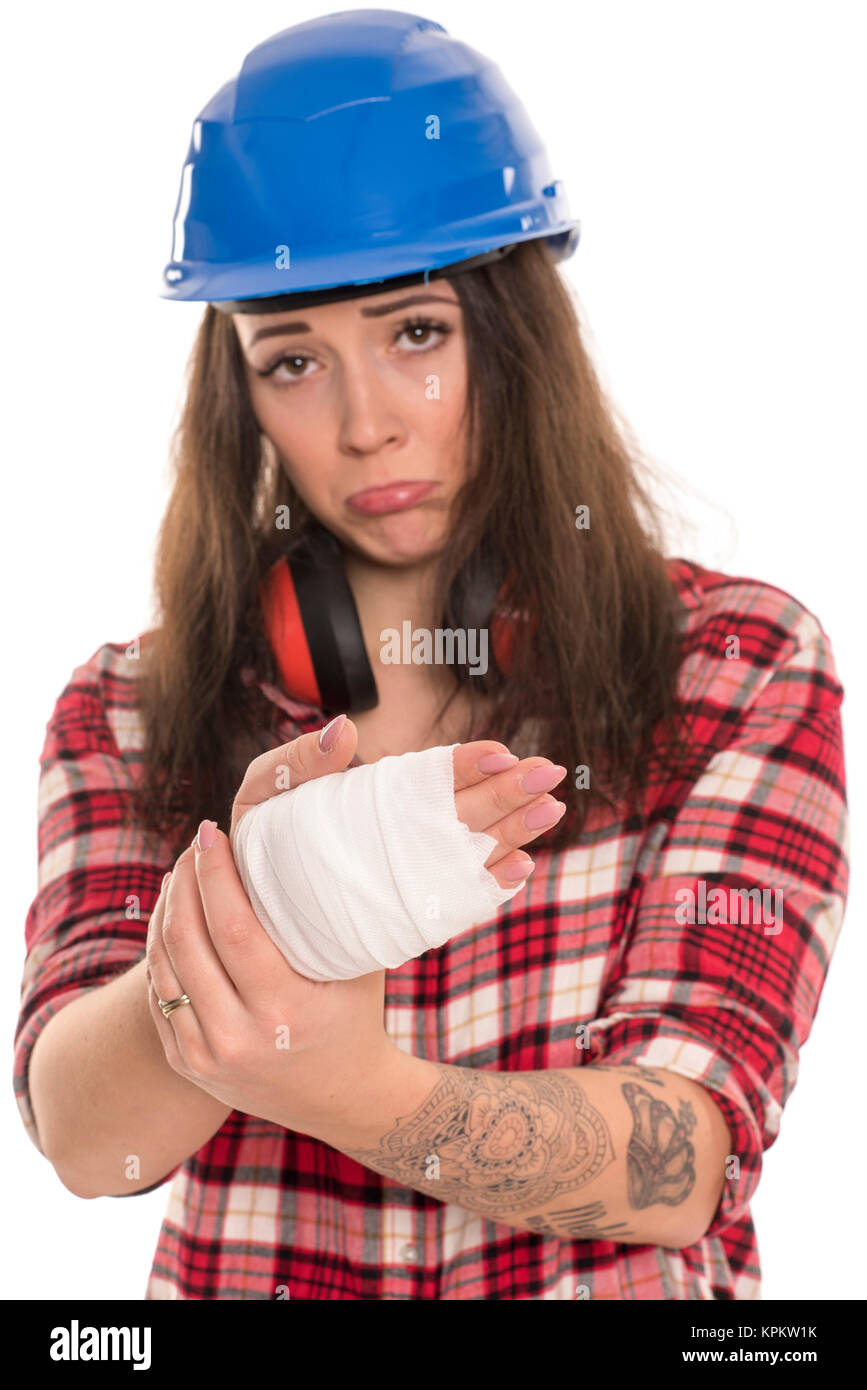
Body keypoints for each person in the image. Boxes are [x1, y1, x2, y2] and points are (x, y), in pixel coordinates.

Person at [14, 10, 848, 1301]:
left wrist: (348, 1088)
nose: (362, 426)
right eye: (293, 360)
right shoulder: (125, 707)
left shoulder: (735, 663)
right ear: (242, 399)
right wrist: (270, 901)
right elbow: (83, 1137)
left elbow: (684, 1158)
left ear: (515, 339)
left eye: (415, 334)